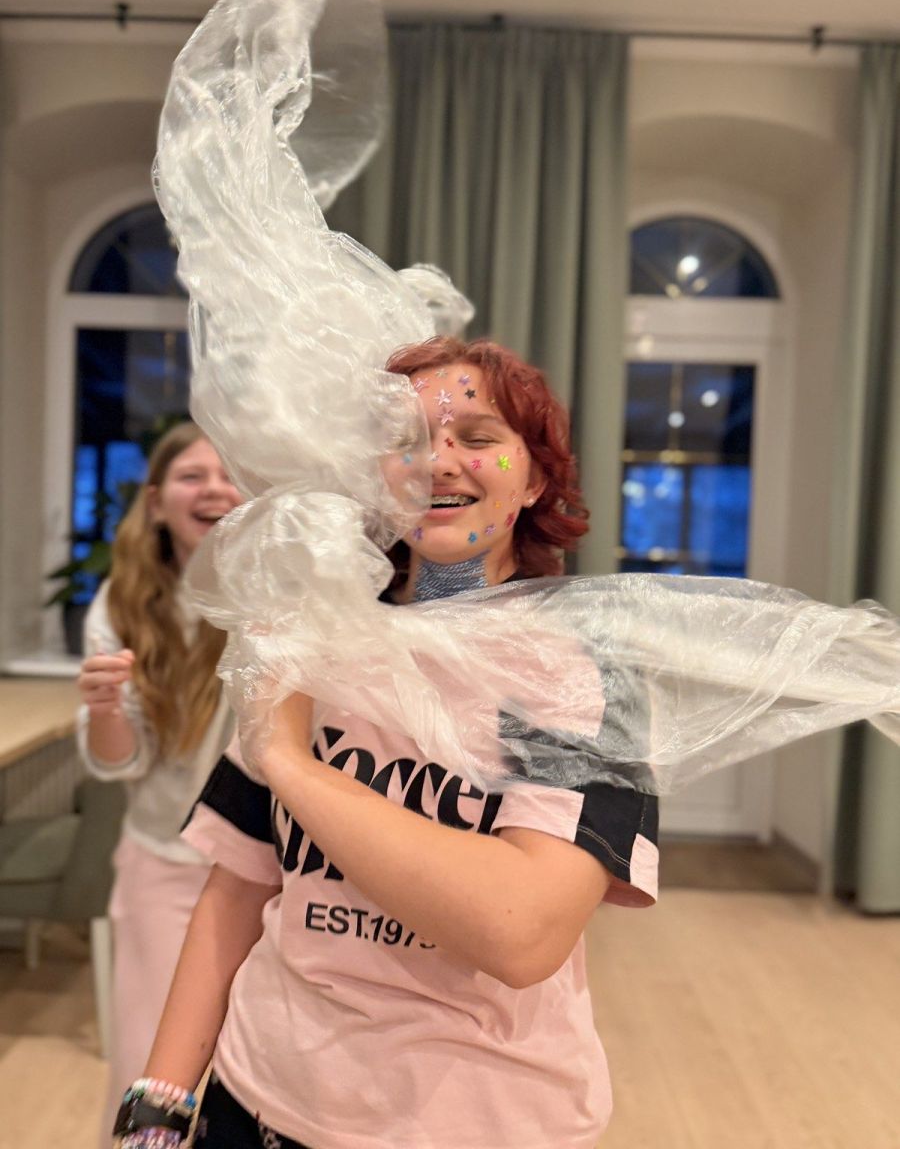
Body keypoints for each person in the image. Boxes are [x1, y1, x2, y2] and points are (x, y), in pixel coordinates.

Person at [115, 340, 659, 1149]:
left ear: (535, 479)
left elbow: (521, 930)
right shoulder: (316, 641)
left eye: (477, 438)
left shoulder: (573, 666)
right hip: (254, 1105)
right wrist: (154, 1116)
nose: (438, 462)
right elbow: (236, 895)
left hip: (476, 1127)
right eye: (406, 441)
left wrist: (291, 765)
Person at [77, 421, 242, 1146]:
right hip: (165, 867)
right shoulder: (122, 604)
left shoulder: (277, 591)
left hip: (270, 876)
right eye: (191, 475)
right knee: (152, 1074)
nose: (213, 489)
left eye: (228, 475)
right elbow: (123, 762)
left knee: (251, 1073)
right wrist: (105, 709)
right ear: (155, 501)